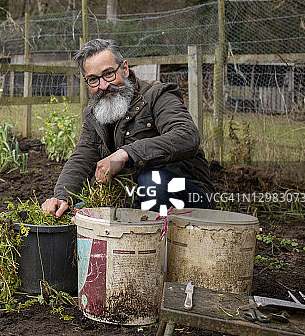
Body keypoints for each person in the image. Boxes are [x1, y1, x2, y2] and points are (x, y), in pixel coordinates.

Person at [42, 39, 213, 217]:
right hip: (135, 197)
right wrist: (62, 197)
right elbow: (82, 157)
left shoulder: (157, 95)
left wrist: (126, 154)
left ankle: (153, 243)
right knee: (79, 210)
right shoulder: (96, 112)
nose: (103, 85)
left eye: (108, 74)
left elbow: (186, 136)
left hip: (187, 198)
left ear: (124, 68)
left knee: (152, 183)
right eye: (93, 80)